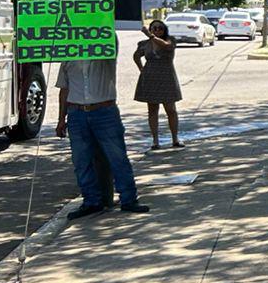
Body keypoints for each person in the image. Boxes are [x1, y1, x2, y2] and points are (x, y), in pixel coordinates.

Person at [55, 57, 148, 218]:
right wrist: (61, 119)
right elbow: (64, 89)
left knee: (117, 158)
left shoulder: (105, 50)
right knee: (81, 161)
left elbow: (112, 46)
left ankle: (129, 199)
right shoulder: (67, 55)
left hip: (104, 111)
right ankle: (91, 201)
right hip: (76, 113)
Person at [132, 20, 184, 149]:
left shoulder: (170, 40)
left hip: (167, 77)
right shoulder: (144, 44)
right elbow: (136, 56)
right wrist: (141, 69)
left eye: (160, 28)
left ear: (164, 29)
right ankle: (155, 141)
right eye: (154, 28)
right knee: (152, 110)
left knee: (171, 109)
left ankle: (175, 139)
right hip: (150, 78)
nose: (157, 30)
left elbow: (167, 46)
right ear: (151, 29)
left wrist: (151, 36)